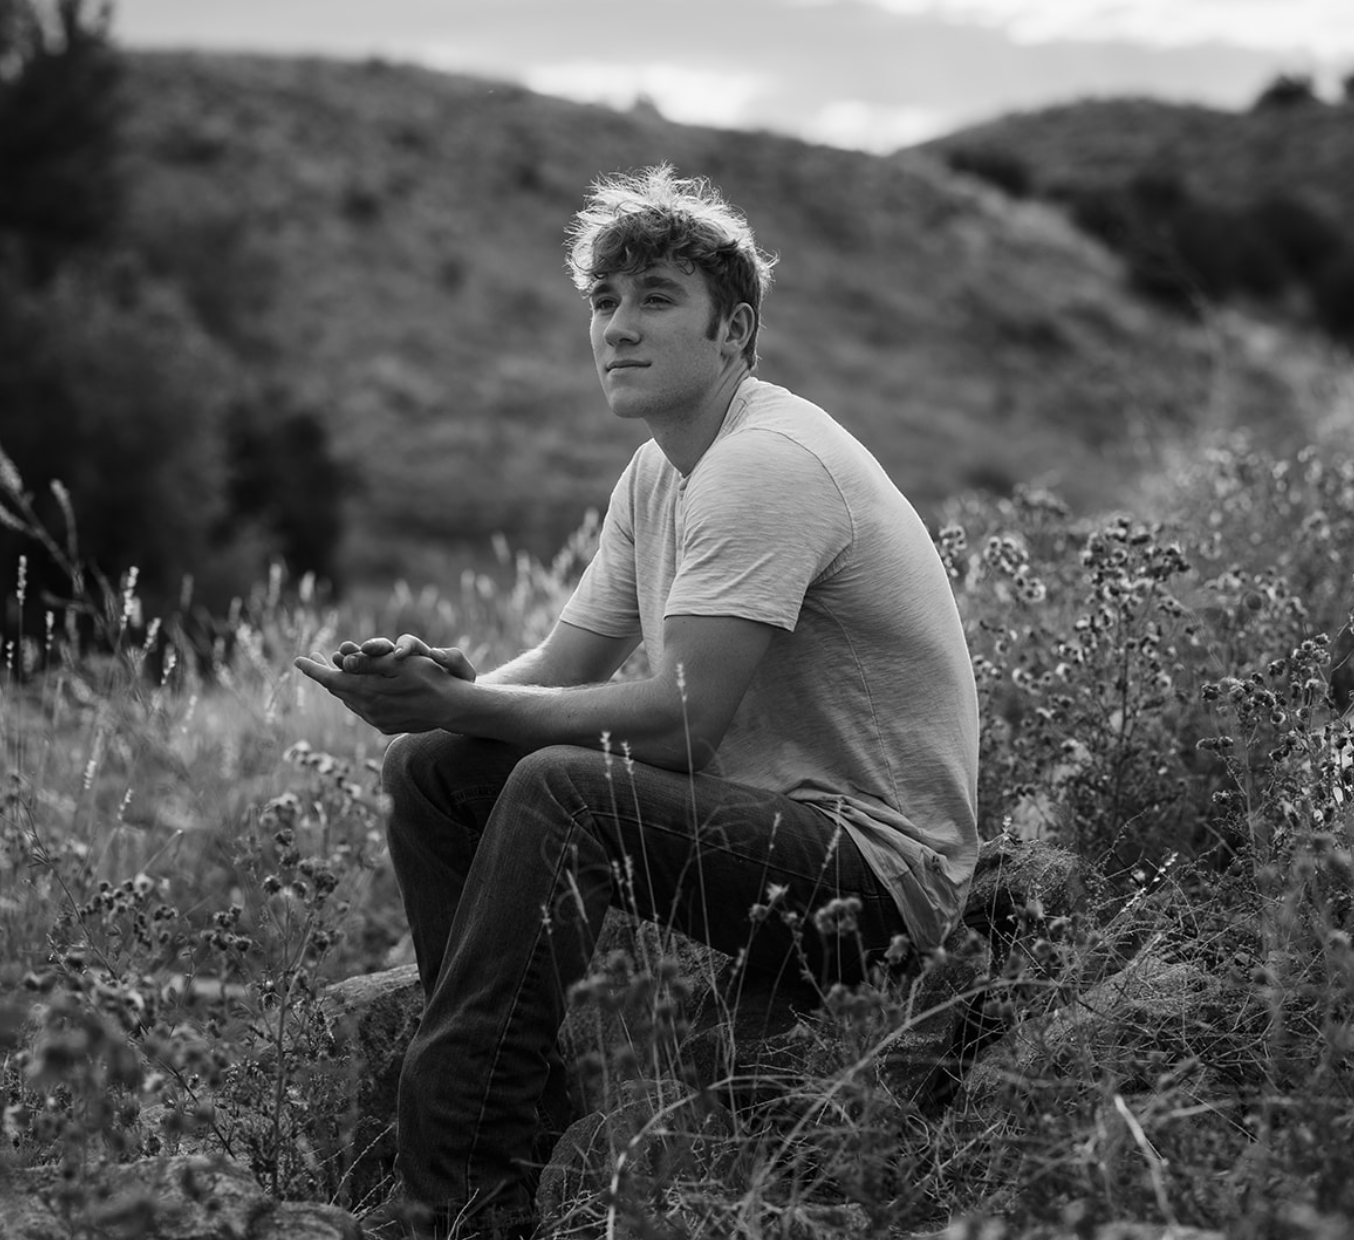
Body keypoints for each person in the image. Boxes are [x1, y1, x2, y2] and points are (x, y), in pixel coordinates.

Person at [293, 164, 979, 1239]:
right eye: (603, 302)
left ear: (733, 330)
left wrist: (461, 702)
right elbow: (564, 666)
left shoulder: (767, 463)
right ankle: (512, 1094)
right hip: (764, 832)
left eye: (655, 297)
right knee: (431, 769)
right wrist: (433, 696)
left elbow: (676, 720)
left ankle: (460, 1194)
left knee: (563, 790)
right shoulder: (659, 472)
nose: (617, 326)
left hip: (876, 874)